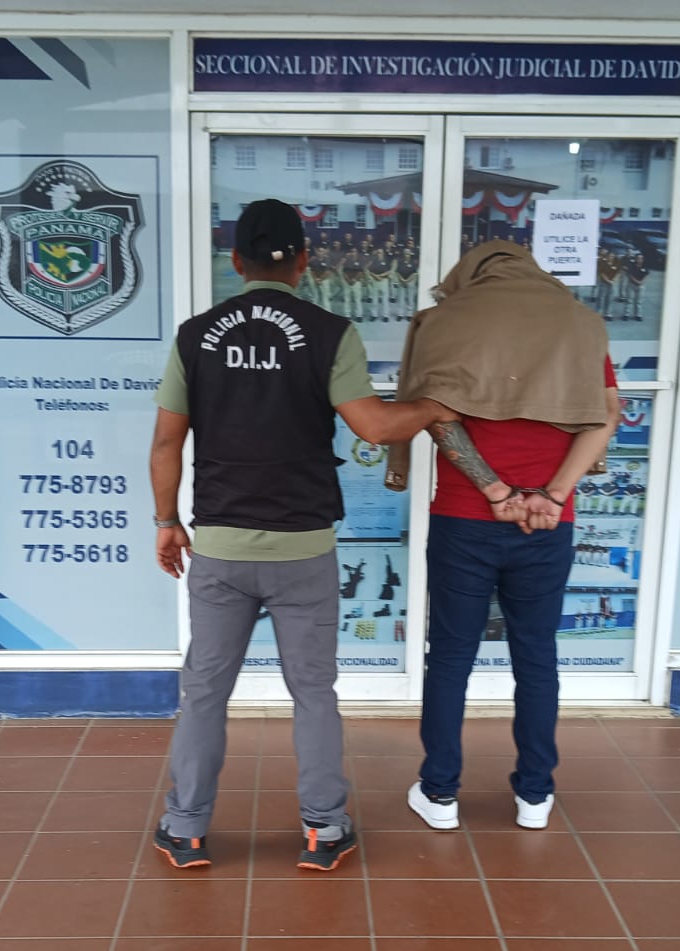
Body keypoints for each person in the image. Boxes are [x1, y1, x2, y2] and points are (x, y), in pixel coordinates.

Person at [149, 199, 457, 871]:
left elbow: (167, 443)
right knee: (313, 693)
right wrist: (434, 406)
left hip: (221, 549)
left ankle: (186, 828)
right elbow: (376, 426)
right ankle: (323, 829)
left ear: (236, 261)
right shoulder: (329, 332)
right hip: (304, 550)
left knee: (205, 692)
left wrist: (167, 522)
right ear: (305, 261)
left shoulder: (194, 337)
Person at [394, 240, 620, 831]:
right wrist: (553, 494)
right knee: (537, 657)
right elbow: (607, 414)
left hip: (466, 519)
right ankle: (535, 795)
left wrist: (495, 491)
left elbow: (437, 415)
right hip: (548, 523)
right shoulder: (580, 323)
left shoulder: (448, 321)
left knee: (451, 657)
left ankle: (440, 793)